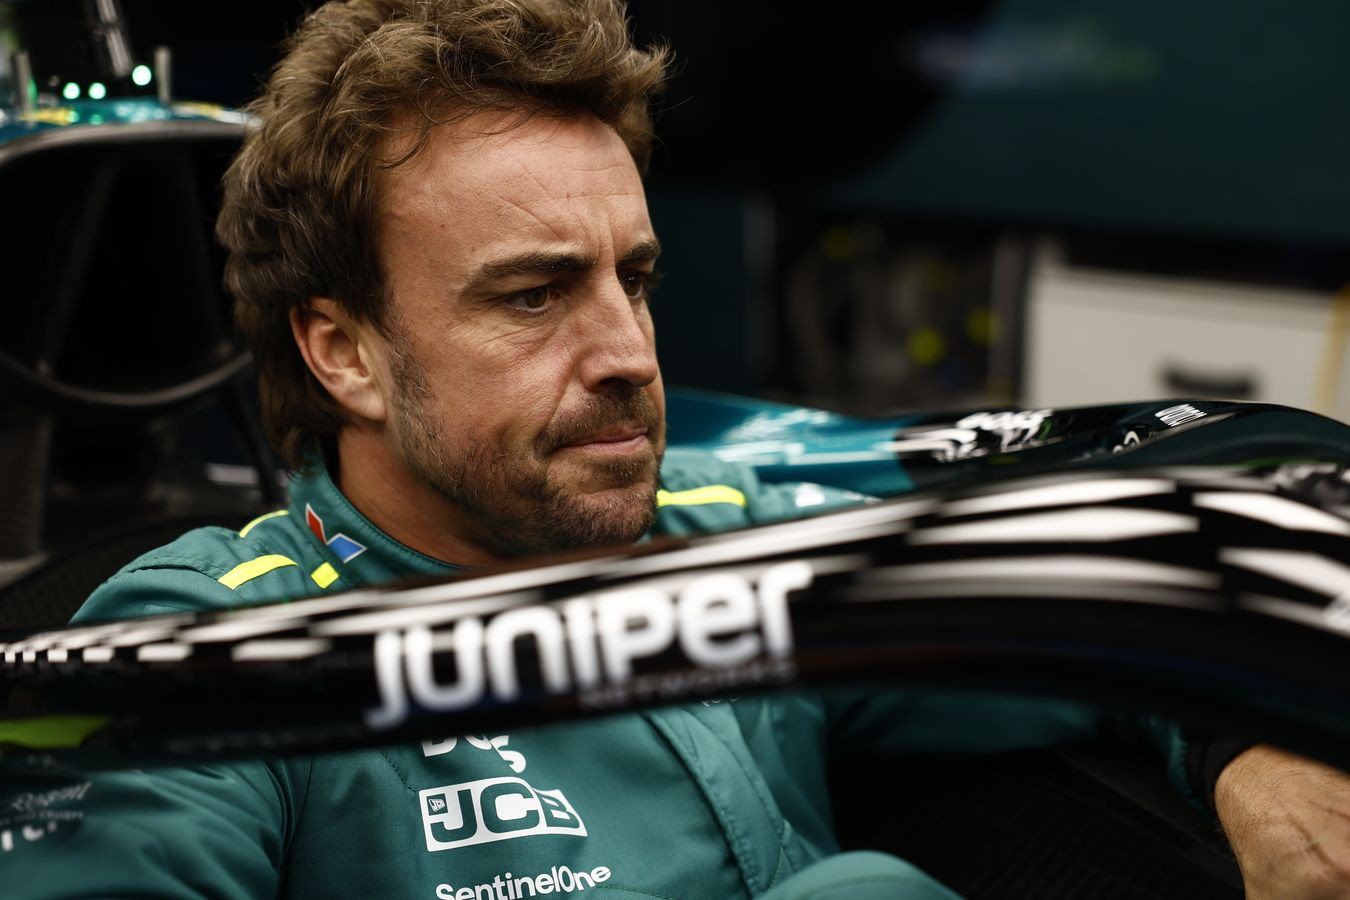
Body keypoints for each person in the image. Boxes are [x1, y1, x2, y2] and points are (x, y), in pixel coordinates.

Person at [3, 1, 1349, 897]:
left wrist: (1244, 745)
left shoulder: (742, 534)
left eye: (633, 279)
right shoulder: (204, 654)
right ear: (343, 350)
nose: (628, 353)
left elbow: (1155, 568)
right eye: (533, 295)